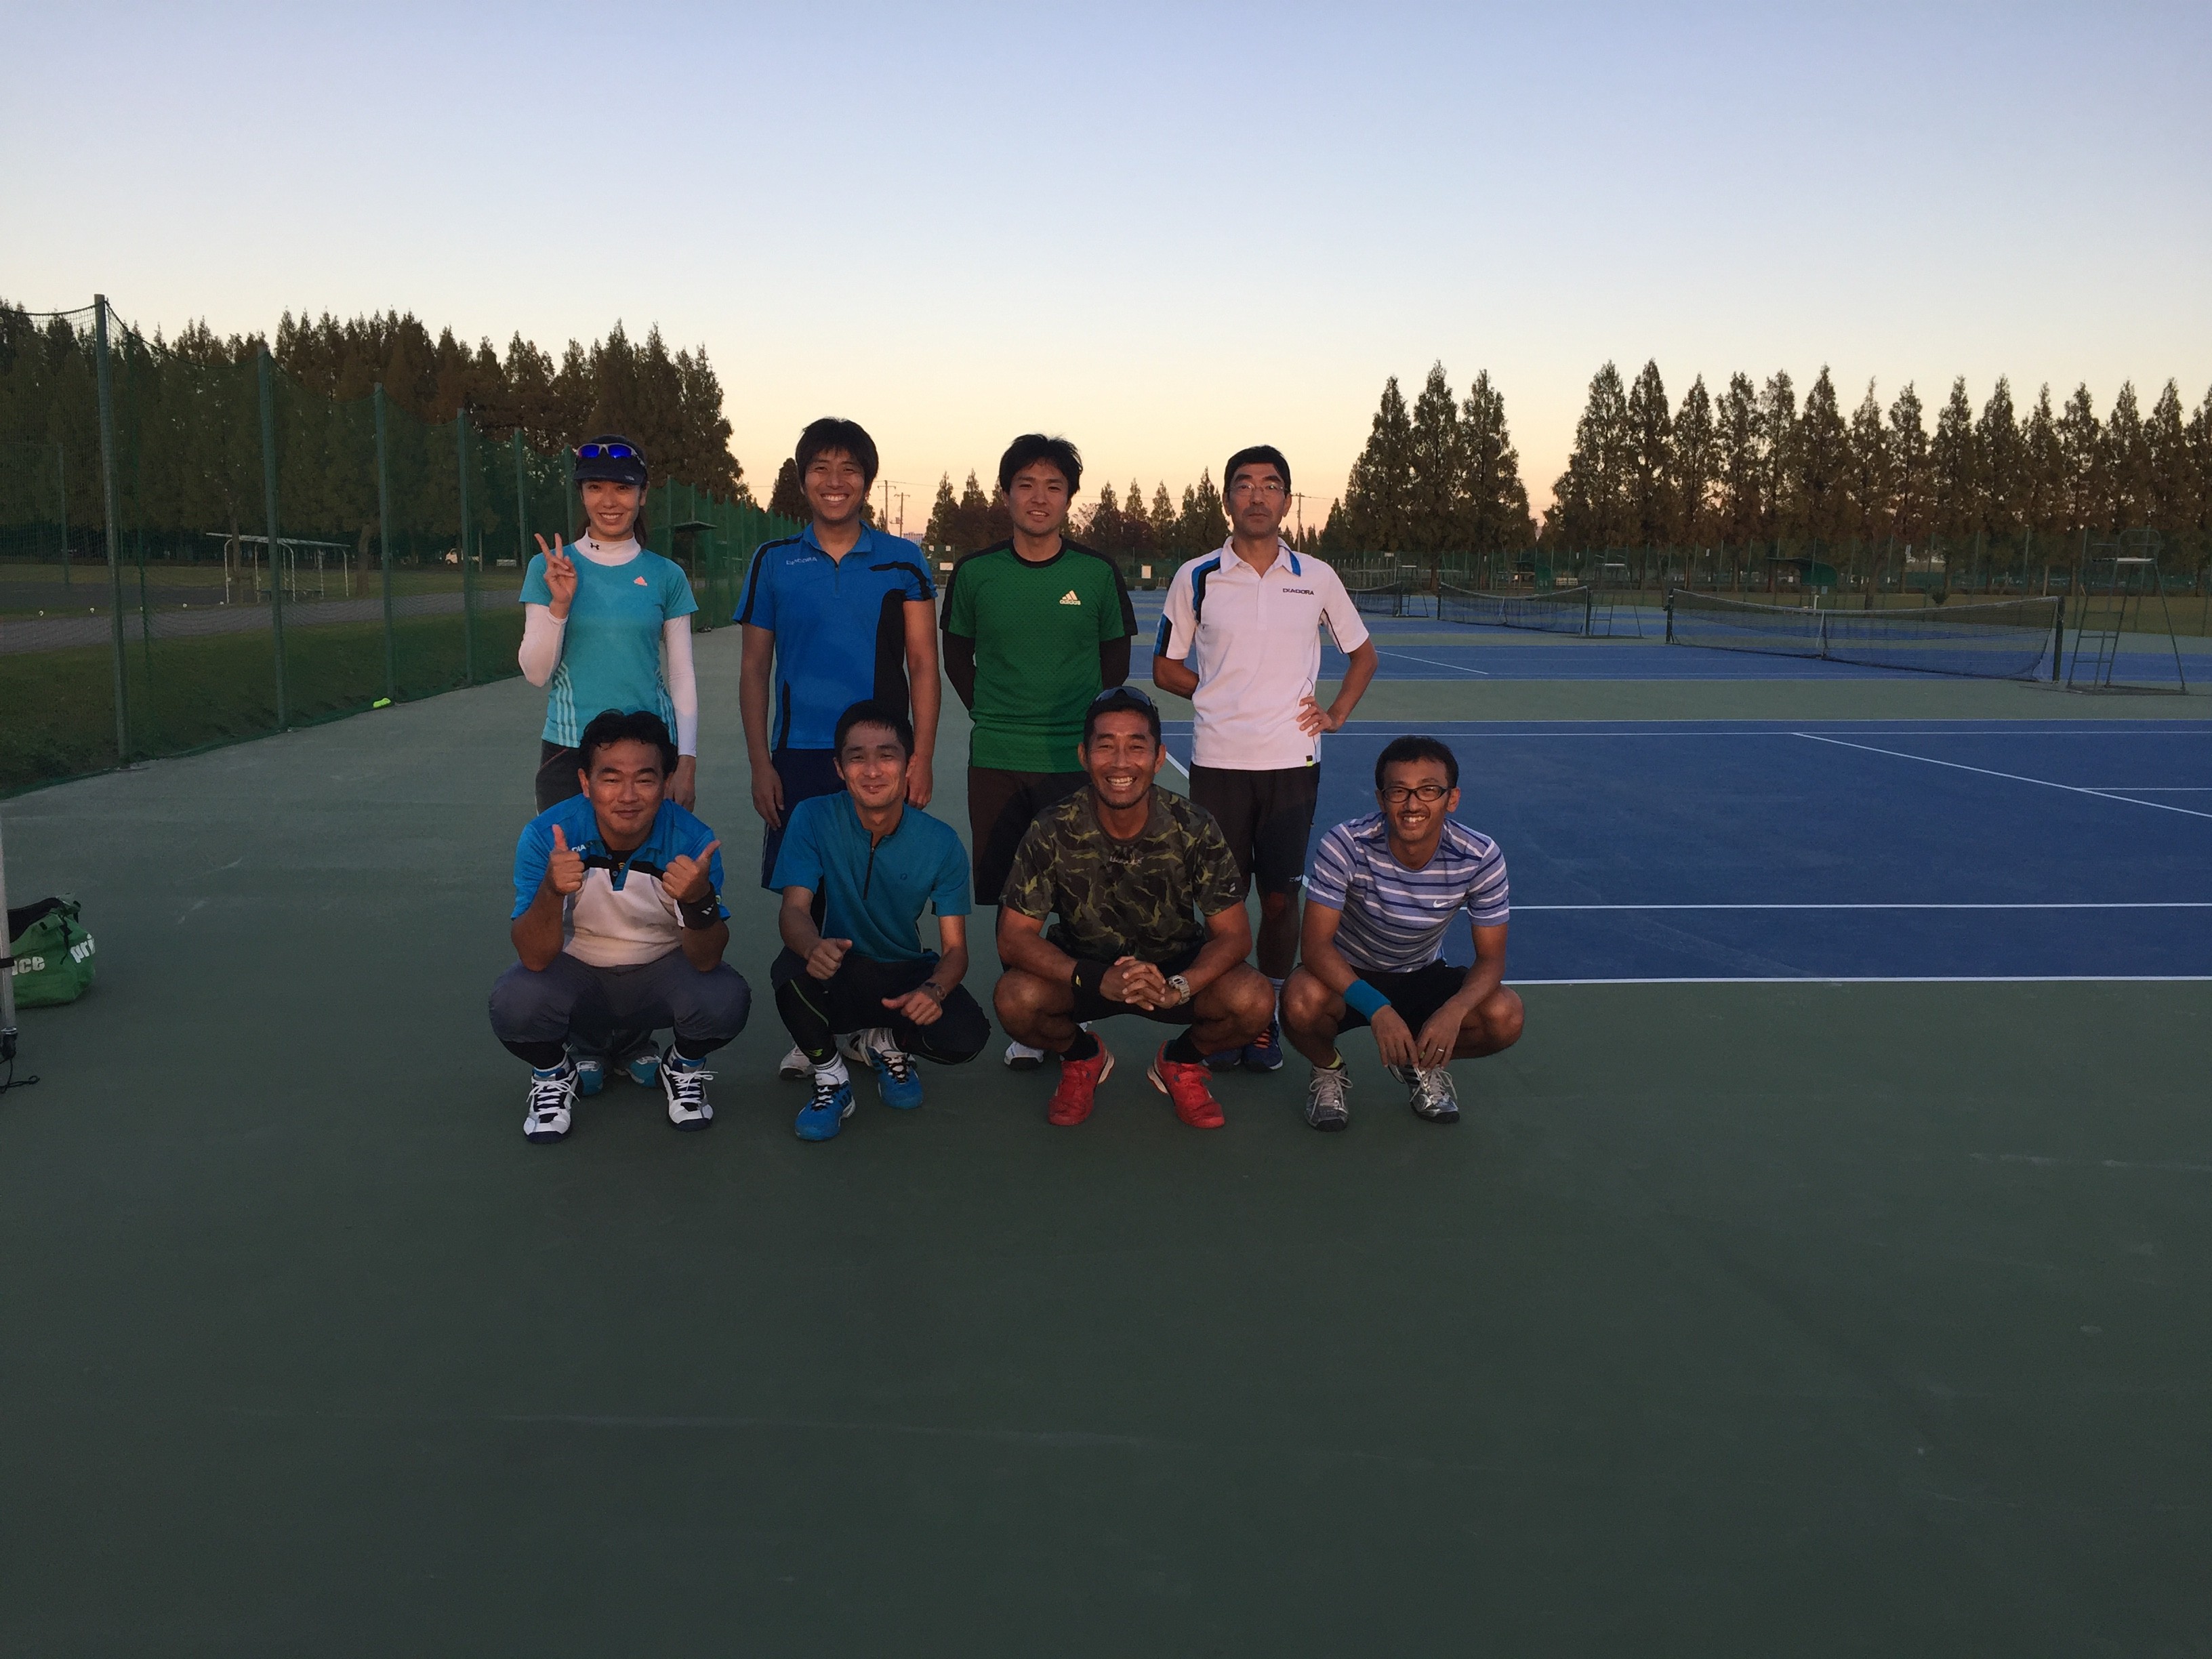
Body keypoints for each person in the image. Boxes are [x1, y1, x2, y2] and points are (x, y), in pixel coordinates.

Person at [1152, 444, 1378, 1073]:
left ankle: (1269, 1016)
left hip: (1291, 765)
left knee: (1279, 900)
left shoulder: (1317, 576)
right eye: (1245, 484)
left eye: (1271, 485)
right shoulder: (1197, 575)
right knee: (1220, 902)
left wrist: (1335, 714)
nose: (1258, 495)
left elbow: (1363, 656)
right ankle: (1228, 1009)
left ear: (1286, 500)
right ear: (1227, 498)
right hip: (1219, 765)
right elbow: (1165, 667)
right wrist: (1219, 692)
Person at [736, 417, 940, 1081]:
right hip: (799, 754)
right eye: (821, 468)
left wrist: (920, 756)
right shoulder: (773, 561)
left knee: (882, 891)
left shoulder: (902, 560)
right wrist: (761, 763)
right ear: (802, 481)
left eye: (849, 468)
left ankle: (875, 1024)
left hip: (881, 757)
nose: (835, 481)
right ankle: (816, 1028)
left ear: (867, 482)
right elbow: (754, 670)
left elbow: (923, 665)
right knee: (808, 898)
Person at [940, 433, 1136, 1073]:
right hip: (998, 756)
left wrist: (1091, 734)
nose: (1039, 497)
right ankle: (1027, 1015)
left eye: (1054, 486)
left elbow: (1115, 660)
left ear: (1069, 499)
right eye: (1026, 484)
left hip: (1072, 761)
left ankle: (1074, 1006)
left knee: (1080, 892)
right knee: (1010, 895)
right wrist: (991, 711)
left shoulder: (1096, 573)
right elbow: (955, 654)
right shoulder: (975, 573)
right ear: (1006, 495)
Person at [993, 687, 1275, 1129]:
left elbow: (1235, 935)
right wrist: (1093, 978)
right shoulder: (1051, 827)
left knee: (1254, 1000)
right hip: (1085, 972)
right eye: (1106, 746)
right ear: (1084, 755)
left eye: (1136, 747)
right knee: (1015, 999)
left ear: (1159, 757)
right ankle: (1082, 1056)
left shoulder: (1194, 826)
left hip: (1173, 971)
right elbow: (1013, 937)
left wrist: (1180, 986)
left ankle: (1180, 1061)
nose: (1121, 763)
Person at [489, 709, 750, 1143]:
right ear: (585, 782)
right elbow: (533, 956)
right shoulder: (545, 836)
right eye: (610, 779)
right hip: (576, 975)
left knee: (725, 997)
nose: (627, 796)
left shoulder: (694, 842)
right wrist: (551, 890)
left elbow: (706, 961)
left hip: (659, 975)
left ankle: (683, 1067)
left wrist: (699, 899)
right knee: (515, 1000)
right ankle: (553, 1074)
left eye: (645, 779)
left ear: (666, 782)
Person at [770, 700, 989, 1141]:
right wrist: (813, 946)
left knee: (966, 1036)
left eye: (887, 756)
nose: (872, 771)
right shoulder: (812, 817)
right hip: (842, 968)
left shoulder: (942, 843)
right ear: (839, 768)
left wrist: (934, 990)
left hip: (904, 973)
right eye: (857, 757)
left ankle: (885, 1042)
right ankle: (831, 1076)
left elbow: (955, 951)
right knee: (791, 971)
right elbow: (794, 910)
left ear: (909, 766)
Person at [1280, 735, 1523, 1131]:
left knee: (1505, 1015)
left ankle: (1421, 1063)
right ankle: (1329, 1069)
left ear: (1452, 798)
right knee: (1299, 1000)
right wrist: (1377, 1008)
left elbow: (1491, 958)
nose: (1412, 805)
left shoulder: (1481, 856)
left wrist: (1454, 1011)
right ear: (1381, 799)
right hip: (1348, 973)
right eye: (1399, 791)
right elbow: (1316, 948)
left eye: (1429, 790)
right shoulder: (1345, 844)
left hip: (1422, 973)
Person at [518, 436, 699, 811]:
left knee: (650, 854)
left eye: (623, 488)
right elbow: (536, 674)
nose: (609, 501)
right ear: (582, 495)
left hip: (649, 753)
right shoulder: (549, 568)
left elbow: (682, 675)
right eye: (595, 487)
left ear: (643, 494)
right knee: (567, 853)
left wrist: (686, 762)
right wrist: (560, 605)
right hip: (570, 749)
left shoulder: (667, 575)